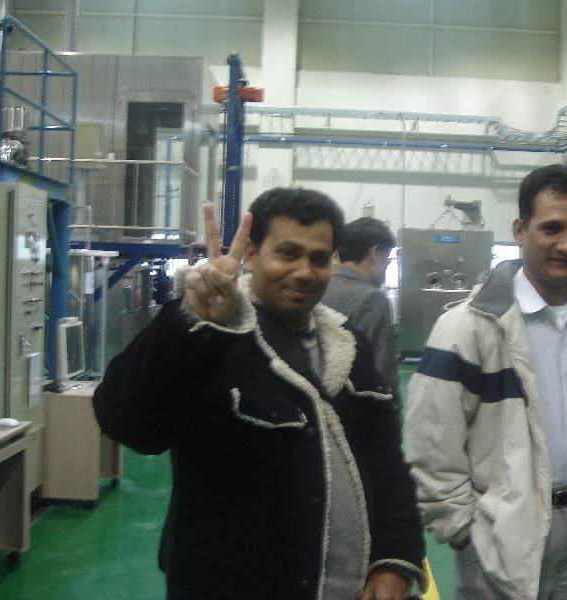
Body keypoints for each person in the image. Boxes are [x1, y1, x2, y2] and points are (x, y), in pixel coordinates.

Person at [93, 188, 426, 600]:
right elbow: (130, 424)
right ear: (251, 255)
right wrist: (193, 325)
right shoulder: (211, 341)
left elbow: (385, 461)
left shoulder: (349, 345)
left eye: (319, 258)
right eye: (288, 253)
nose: (304, 271)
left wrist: (395, 557)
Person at [405, 163, 567, 600]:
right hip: (500, 538)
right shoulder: (469, 327)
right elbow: (431, 443)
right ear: (519, 230)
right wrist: (464, 533)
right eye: (551, 228)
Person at [321, 217, 401, 406]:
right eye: (387, 260)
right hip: (357, 406)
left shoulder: (321, 288)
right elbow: (382, 369)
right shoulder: (372, 298)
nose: (386, 268)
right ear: (374, 253)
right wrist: (393, 409)